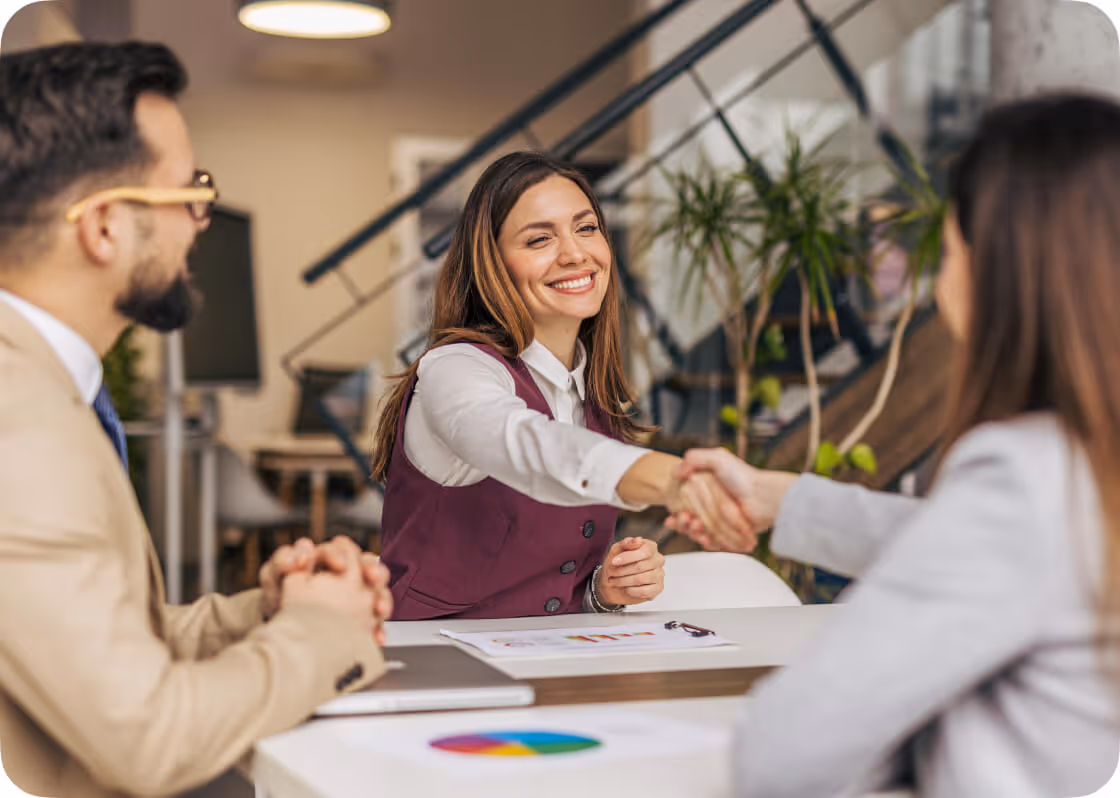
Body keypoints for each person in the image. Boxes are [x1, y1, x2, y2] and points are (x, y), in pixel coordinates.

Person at [671, 94, 1120, 797]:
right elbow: (977, 549)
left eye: (947, 244)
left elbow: (787, 748)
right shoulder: (1083, 474)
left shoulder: (1024, 475)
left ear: (997, 266)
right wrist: (774, 498)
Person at [0, 42, 392, 798]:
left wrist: (268, 615)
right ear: (105, 227)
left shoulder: (46, 389)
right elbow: (149, 739)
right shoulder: (21, 426)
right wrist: (321, 633)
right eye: (186, 194)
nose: (201, 220)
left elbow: (88, 649)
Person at [372, 151, 749, 620]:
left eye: (586, 228)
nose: (574, 254)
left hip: (548, 661)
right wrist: (674, 482)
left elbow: (545, 588)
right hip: (433, 664)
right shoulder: (455, 368)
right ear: (492, 264)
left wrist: (602, 591)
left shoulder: (591, 392)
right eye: (539, 239)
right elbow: (528, 446)